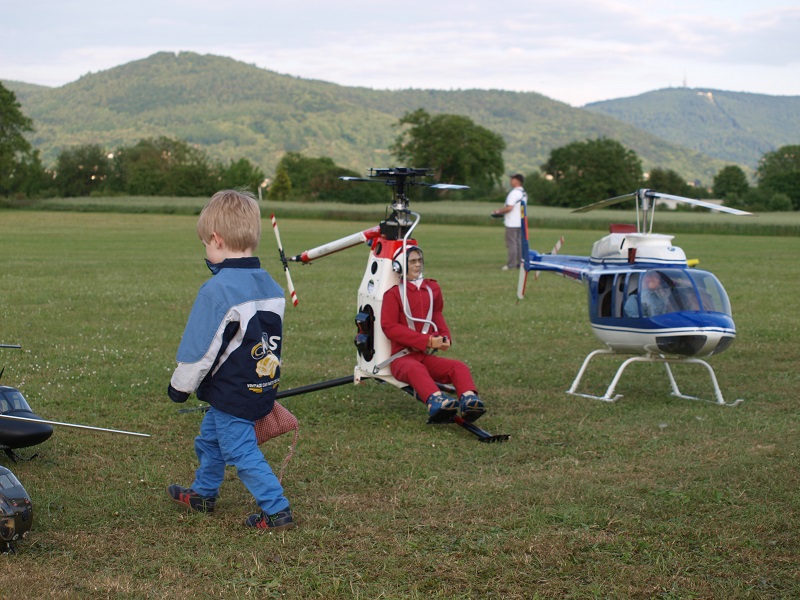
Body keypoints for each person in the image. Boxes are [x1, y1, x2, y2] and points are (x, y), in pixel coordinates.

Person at [166, 189, 295, 531]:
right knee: (210, 439)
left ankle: (276, 509)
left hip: (231, 392)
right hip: (260, 384)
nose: (205, 251)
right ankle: (204, 493)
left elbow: (201, 348)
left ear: (216, 240)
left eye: (205, 244)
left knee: (240, 450)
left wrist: (180, 387)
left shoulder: (217, 291)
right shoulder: (270, 284)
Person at [381, 245, 485, 423]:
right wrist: (426, 340)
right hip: (401, 359)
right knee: (416, 369)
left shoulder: (432, 288)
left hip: (423, 356)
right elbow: (389, 327)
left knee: (458, 367)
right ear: (400, 266)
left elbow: (437, 314)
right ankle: (436, 401)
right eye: (412, 261)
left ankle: (469, 401)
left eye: (419, 261)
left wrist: (445, 337)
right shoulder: (393, 294)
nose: (417, 265)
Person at [492, 174, 527, 270]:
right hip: (521, 222)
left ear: (517, 181)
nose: (511, 181)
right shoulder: (523, 193)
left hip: (512, 222)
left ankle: (510, 264)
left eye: (512, 179)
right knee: (519, 243)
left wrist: (498, 211)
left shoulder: (514, 193)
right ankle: (521, 263)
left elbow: (509, 207)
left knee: (511, 244)